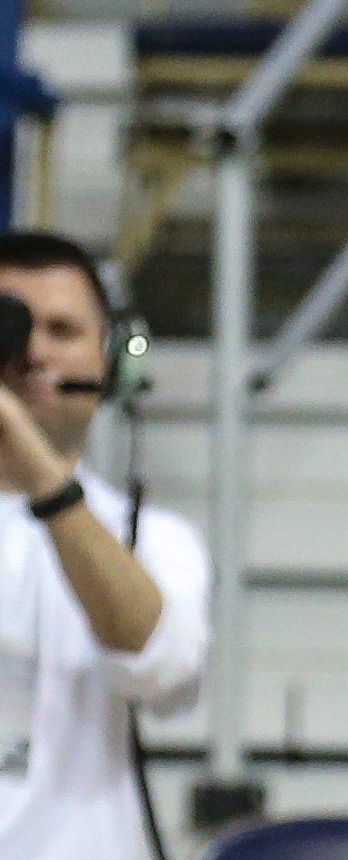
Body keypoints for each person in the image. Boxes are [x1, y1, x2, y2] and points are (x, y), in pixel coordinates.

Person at [0, 231, 209, 859]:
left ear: (112, 361)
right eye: (8, 328)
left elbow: (165, 674)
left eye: (62, 332)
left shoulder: (154, 538)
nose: (32, 353)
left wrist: (34, 465)